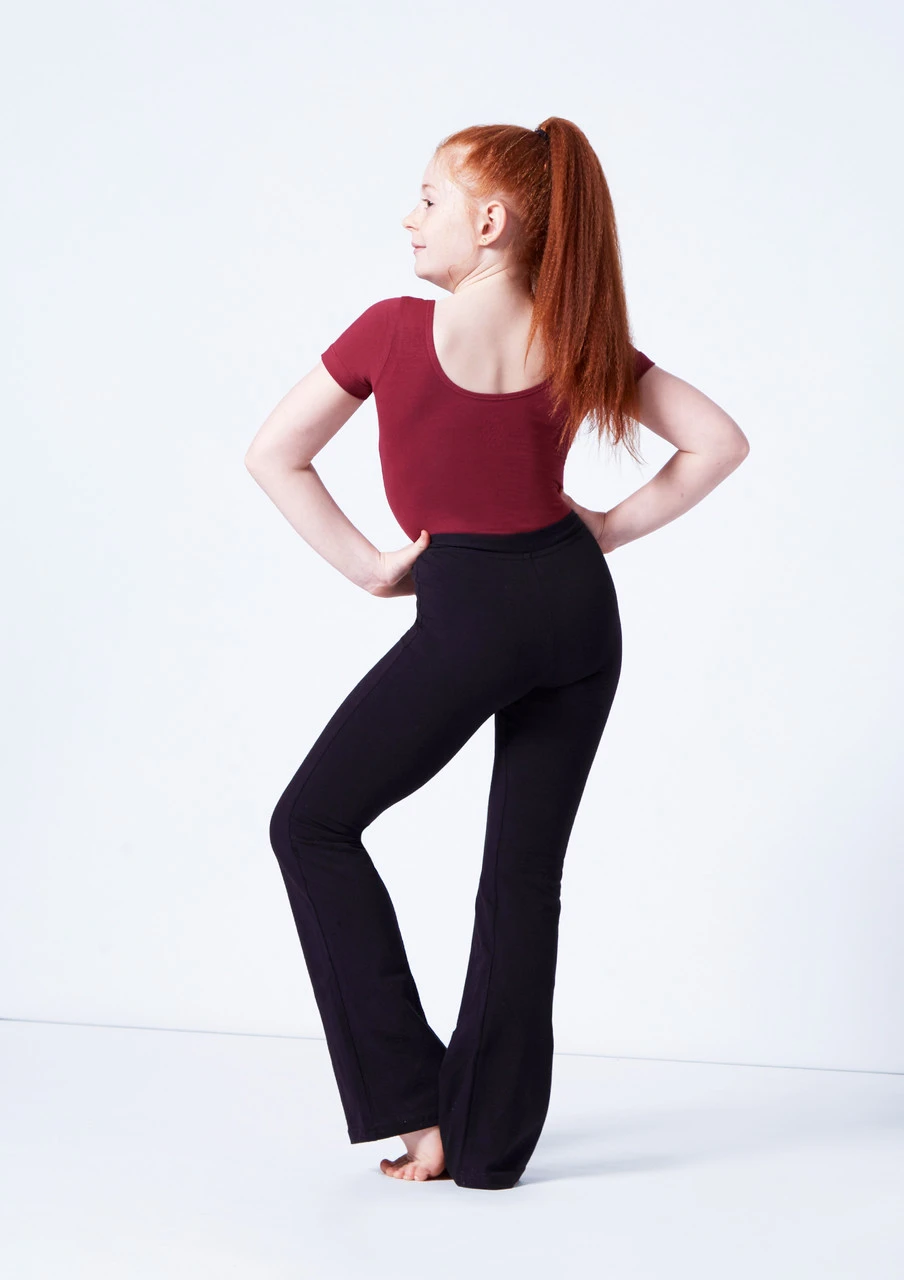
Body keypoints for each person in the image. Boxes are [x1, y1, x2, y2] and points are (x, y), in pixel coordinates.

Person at [244, 117, 749, 1191]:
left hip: (471, 612)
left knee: (311, 823)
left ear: (489, 222)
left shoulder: (390, 330)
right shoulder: (579, 338)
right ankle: (488, 1146)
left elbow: (274, 453)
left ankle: (417, 1107)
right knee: (523, 876)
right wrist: (603, 528)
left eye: (428, 197)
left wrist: (370, 567)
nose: (408, 216)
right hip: (578, 613)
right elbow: (719, 440)